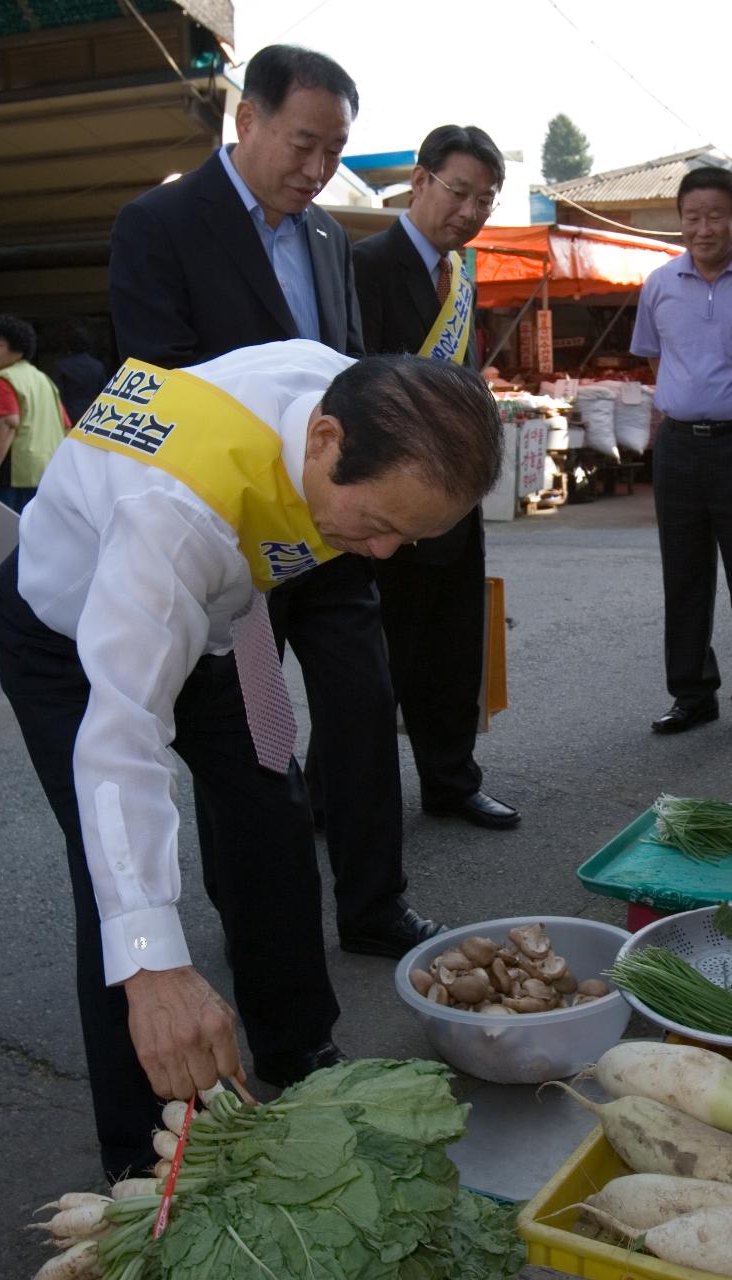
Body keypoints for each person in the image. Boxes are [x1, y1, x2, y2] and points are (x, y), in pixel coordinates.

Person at [0, 338, 503, 1181]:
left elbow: (255, 565)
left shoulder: (332, 384)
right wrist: (155, 967)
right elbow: (121, 743)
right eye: (373, 525)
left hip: (219, 620)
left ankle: (299, 1051)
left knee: (270, 805)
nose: (376, 555)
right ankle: (147, 1156)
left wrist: (349, 536)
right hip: (69, 633)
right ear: (326, 440)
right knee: (116, 883)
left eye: (404, 539)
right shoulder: (175, 515)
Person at [110, 43, 442, 958]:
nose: (316, 169)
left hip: (333, 531)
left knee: (364, 710)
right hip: (231, 538)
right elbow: (157, 380)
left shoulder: (331, 236)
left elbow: (350, 370)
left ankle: (375, 906)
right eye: (302, 144)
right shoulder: (161, 222)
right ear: (246, 119)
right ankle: (256, 914)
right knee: (255, 740)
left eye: (333, 150)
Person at [352, 125, 520, 830]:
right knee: (372, 656)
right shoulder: (364, 264)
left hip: (453, 496)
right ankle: (341, 795)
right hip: (389, 497)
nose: (470, 211)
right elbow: (355, 383)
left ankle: (451, 782)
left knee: (452, 647)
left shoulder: (462, 276)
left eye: (485, 199)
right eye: (459, 192)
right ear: (419, 182)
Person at [630, 166, 732, 741]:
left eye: (714, 216)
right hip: (678, 449)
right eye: (691, 218)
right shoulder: (660, 284)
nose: (702, 228)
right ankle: (692, 693)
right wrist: (689, 404)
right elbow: (653, 359)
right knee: (685, 575)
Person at [0, 314, 67, 515]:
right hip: (46, 472)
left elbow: (7, 423)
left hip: (13, 474)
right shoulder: (44, 380)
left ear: (18, 347)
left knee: (6, 536)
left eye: (0, 345)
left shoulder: (3, 380)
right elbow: (65, 425)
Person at [53, 318, 108, 425]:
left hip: (70, 415)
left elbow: (58, 396)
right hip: (93, 415)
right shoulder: (97, 366)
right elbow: (104, 394)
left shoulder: (61, 366)